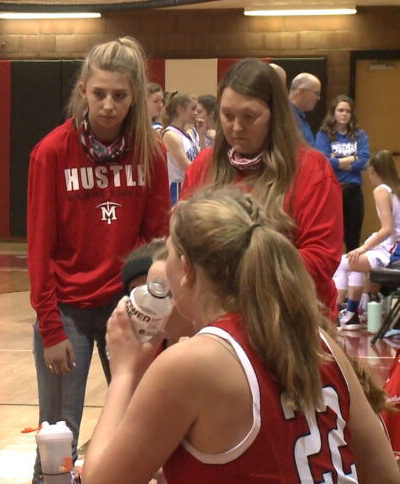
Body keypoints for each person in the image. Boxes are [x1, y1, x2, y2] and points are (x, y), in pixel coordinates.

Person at [82, 187, 399, 484]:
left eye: (169, 252)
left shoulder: (193, 363)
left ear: (187, 269)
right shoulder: (318, 338)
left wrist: (124, 373)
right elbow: (384, 474)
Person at [27, 37, 170, 483]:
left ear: (136, 97)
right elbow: (39, 247)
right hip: (65, 309)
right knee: (58, 435)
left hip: (126, 307)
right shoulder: (51, 152)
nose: (108, 105)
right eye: (99, 93)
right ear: (83, 91)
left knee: (138, 427)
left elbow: (157, 240)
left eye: (120, 96)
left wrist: (150, 309)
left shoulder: (151, 152)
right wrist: (50, 327)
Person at [181, 59, 342, 314]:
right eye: (227, 115)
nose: (236, 128)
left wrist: (239, 279)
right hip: (217, 315)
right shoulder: (204, 165)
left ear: (275, 115)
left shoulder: (312, 169)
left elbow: (321, 260)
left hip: (289, 315)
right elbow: (180, 241)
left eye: (249, 116)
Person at [333, 150, 398, 328]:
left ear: (374, 171)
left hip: (394, 249)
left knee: (342, 263)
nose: (369, 178)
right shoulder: (396, 189)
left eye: (369, 174)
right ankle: (355, 313)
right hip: (393, 246)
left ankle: (336, 312)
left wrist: (364, 247)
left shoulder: (381, 190)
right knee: (355, 263)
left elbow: (387, 229)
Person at [316, 94, 371, 252]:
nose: (344, 114)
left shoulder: (360, 135)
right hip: (332, 190)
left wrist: (337, 161)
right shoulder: (324, 134)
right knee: (332, 237)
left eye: (348, 111)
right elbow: (323, 162)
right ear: (333, 112)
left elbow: (364, 161)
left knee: (353, 238)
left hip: (353, 191)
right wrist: (352, 158)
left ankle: (353, 268)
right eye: (340, 110)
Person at [162, 92, 199, 204]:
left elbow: (200, 158)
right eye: (193, 109)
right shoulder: (171, 135)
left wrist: (201, 134)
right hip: (177, 190)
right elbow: (187, 167)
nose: (196, 113)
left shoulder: (188, 135)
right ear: (180, 109)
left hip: (190, 187)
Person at [288, 72, 321, 146]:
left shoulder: (299, 116)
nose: (318, 98)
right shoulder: (286, 116)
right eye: (316, 93)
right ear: (302, 92)